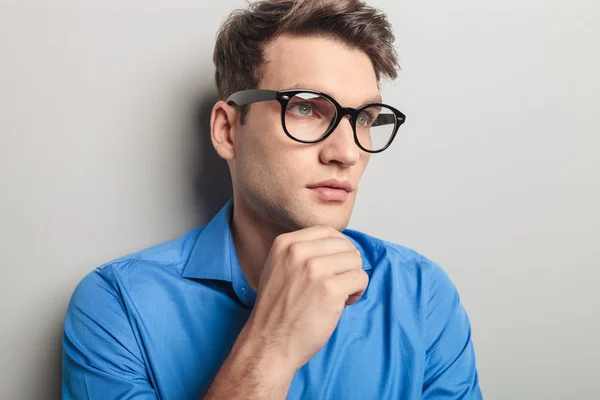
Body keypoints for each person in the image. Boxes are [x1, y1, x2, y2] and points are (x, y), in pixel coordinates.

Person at [62, 0, 482, 398]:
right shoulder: (118, 303)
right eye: (305, 108)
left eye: (365, 119)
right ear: (228, 130)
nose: (347, 152)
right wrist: (272, 346)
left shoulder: (421, 293)